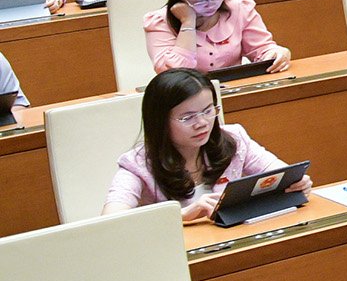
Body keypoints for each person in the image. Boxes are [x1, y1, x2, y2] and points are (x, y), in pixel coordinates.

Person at [104, 67, 308, 219]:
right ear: (160, 122)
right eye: (187, 117)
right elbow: (112, 219)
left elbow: (279, 172)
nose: (202, 123)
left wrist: (296, 182)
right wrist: (181, 215)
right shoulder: (138, 165)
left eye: (208, 111)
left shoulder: (234, 138)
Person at [143, 0, 290, 75]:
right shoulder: (160, 21)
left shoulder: (239, 8)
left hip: (235, 90)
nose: (210, 3)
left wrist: (275, 54)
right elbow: (173, 74)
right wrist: (187, 22)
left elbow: (261, 50)